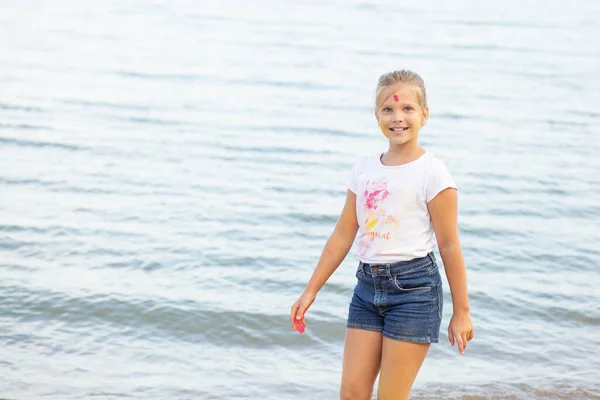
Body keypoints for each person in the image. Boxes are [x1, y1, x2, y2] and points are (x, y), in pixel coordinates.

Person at [289, 70, 474, 400]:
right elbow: (343, 235)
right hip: (367, 289)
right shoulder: (363, 169)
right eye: (388, 109)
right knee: (352, 394)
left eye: (407, 109)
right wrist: (310, 291)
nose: (397, 118)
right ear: (376, 115)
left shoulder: (433, 173)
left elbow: (449, 245)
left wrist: (462, 312)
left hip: (414, 292)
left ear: (424, 115)